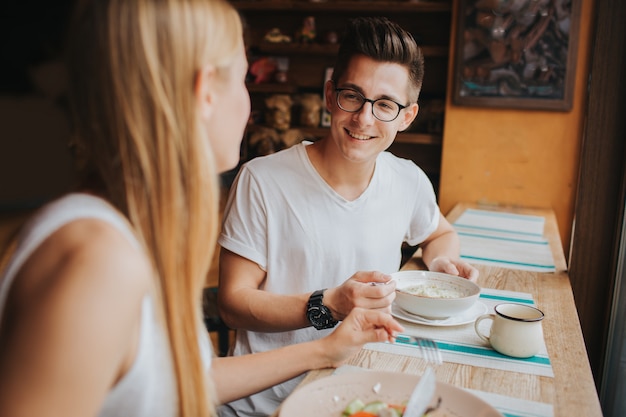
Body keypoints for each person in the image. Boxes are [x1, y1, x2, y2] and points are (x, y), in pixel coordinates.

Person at [0, 2, 404, 417]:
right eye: (245, 80)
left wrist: (325, 350)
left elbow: (178, 382)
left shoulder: (131, 230)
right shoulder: (99, 261)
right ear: (206, 90)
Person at [217, 16, 479, 416]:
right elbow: (232, 303)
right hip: (263, 405)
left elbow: (439, 234)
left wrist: (438, 261)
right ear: (329, 95)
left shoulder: (407, 180)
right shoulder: (263, 180)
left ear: (406, 116)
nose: (364, 119)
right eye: (352, 96)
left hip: (359, 395)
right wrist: (329, 303)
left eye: (385, 105)